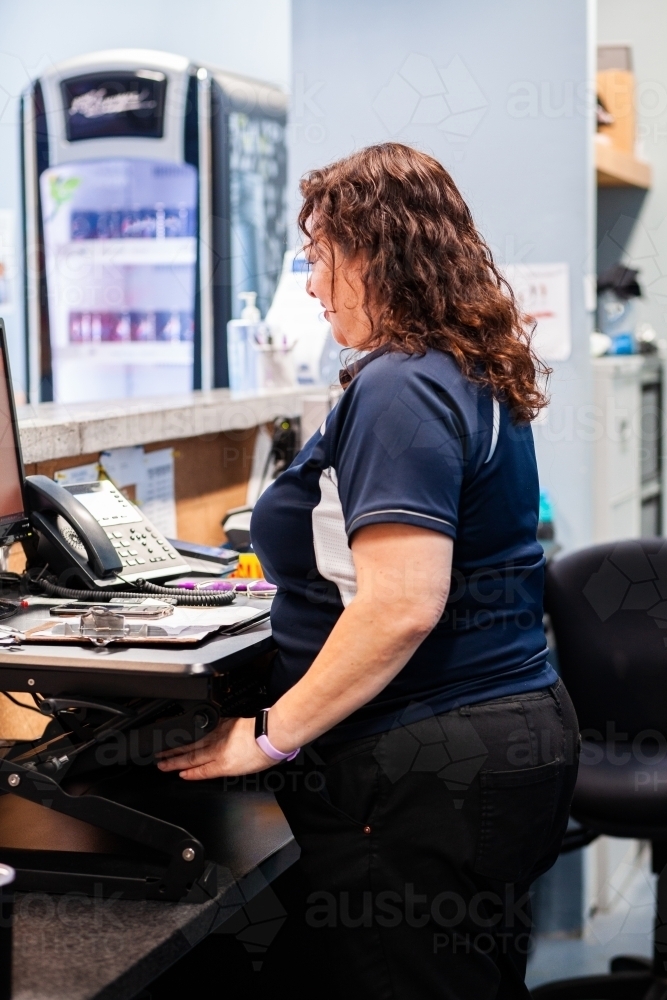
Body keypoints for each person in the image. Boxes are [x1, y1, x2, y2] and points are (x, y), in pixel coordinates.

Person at [157, 142, 579, 999]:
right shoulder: (463, 366)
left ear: (376, 252)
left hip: (427, 762)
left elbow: (399, 609)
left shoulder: (401, 387)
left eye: (320, 257)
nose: (311, 285)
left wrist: (269, 735)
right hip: (499, 738)